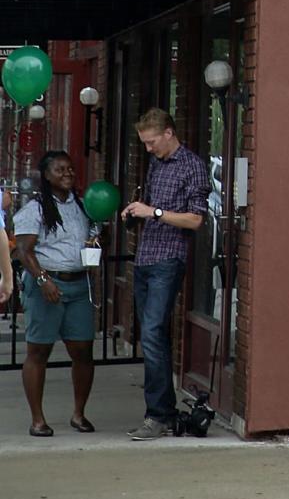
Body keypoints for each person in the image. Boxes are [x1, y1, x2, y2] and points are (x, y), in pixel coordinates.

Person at [121, 108, 209, 440]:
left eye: (151, 142)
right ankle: (166, 413)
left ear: (169, 133)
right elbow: (155, 210)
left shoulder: (193, 166)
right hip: (146, 256)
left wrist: (153, 212)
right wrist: (136, 212)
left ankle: (158, 415)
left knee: (155, 333)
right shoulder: (157, 164)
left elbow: (196, 220)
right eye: (144, 143)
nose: (148, 149)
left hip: (169, 259)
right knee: (152, 336)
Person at [12, 151, 100, 435]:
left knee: (83, 351)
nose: (68, 173)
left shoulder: (84, 207)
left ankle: (79, 414)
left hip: (78, 284)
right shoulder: (34, 210)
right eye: (60, 169)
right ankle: (38, 419)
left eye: (71, 169)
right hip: (47, 285)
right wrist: (42, 279)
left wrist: (95, 244)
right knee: (39, 351)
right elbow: (24, 251)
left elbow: (93, 240)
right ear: (46, 176)